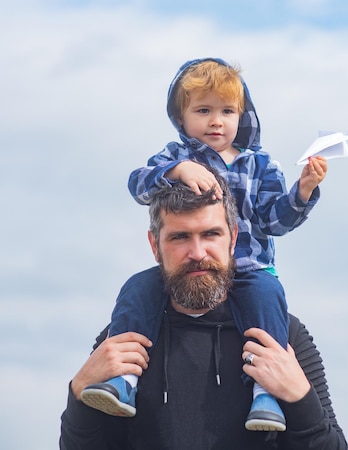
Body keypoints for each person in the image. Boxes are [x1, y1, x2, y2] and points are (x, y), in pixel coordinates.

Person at [80, 57, 328, 432]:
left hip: (250, 270)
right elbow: (138, 184)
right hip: (178, 277)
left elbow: (275, 221)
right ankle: (123, 381)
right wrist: (176, 171)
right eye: (203, 110)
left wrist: (304, 190)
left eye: (227, 111)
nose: (216, 121)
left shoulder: (259, 165)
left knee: (268, 293)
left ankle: (266, 392)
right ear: (181, 118)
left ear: (242, 116)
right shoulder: (177, 156)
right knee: (137, 287)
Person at [59, 180, 347, 450]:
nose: (197, 253)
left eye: (211, 234)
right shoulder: (124, 338)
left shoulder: (283, 334)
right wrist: (79, 392)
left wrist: (299, 398)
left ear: (233, 238)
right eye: (180, 237)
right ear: (154, 245)